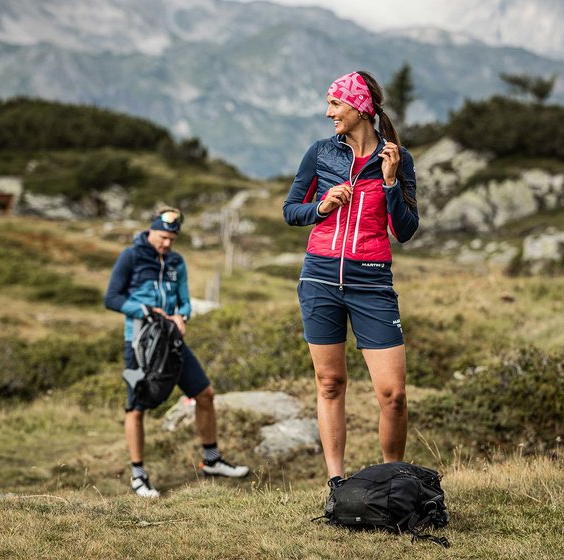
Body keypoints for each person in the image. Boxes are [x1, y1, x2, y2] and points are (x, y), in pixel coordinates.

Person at [282, 71, 419, 488]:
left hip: (372, 283)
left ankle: (393, 480)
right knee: (329, 383)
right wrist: (321, 207)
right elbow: (291, 210)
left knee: (393, 395)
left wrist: (392, 182)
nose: (328, 113)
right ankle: (337, 485)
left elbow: (407, 230)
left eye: (334, 104)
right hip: (320, 278)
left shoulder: (397, 159)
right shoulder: (321, 154)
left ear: (359, 107)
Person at [104, 208, 249, 497]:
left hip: (172, 343)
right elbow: (112, 298)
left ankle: (211, 460)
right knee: (136, 408)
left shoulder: (176, 261)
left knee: (205, 394)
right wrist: (146, 310)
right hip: (140, 346)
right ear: (151, 230)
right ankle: (138, 474)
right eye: (163, 237)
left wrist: (182, 316)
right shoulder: (130, 257)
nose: (167, 243)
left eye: (172, 238)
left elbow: (184, 299)